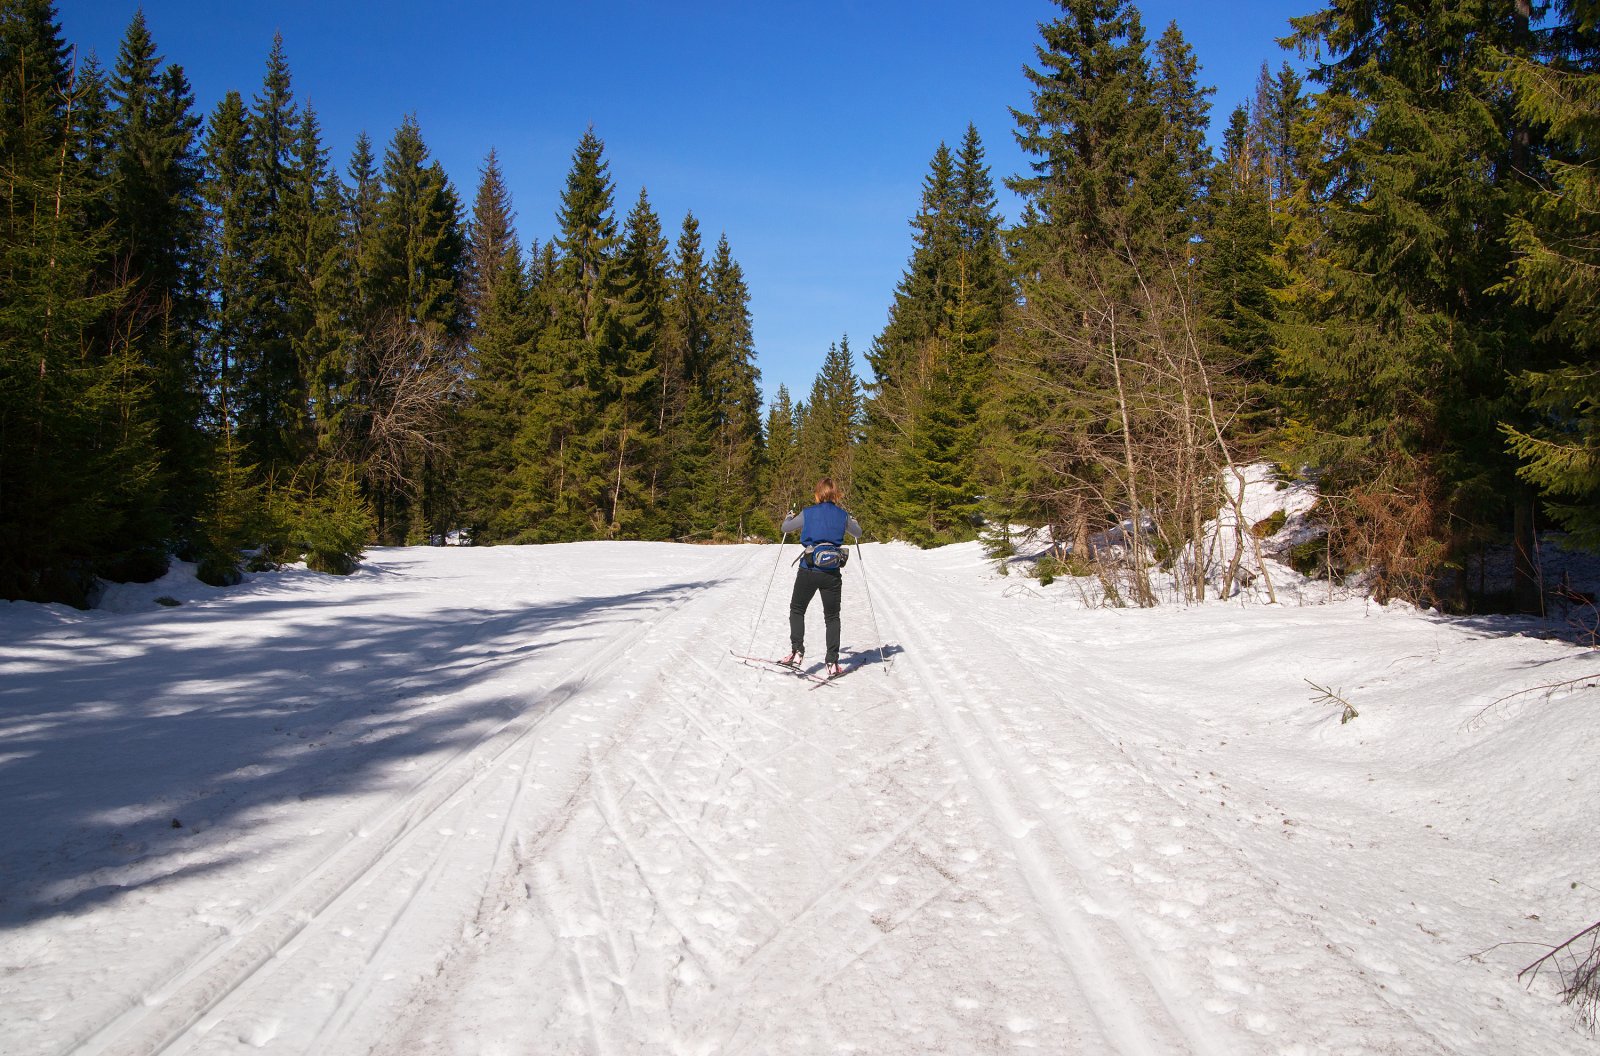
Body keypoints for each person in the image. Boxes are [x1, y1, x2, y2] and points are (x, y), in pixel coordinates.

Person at [779, 478, 862, 677]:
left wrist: (788, 517)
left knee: (797, 609)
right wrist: (854, 521)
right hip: (831, 573)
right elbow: (858, 533)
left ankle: (797, 652)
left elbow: (785, 529)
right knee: (832, 617)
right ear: (835, 494)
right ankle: (832, 663)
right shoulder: (842, 515)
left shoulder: (808, 513)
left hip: (808, 569)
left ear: (818, 493)